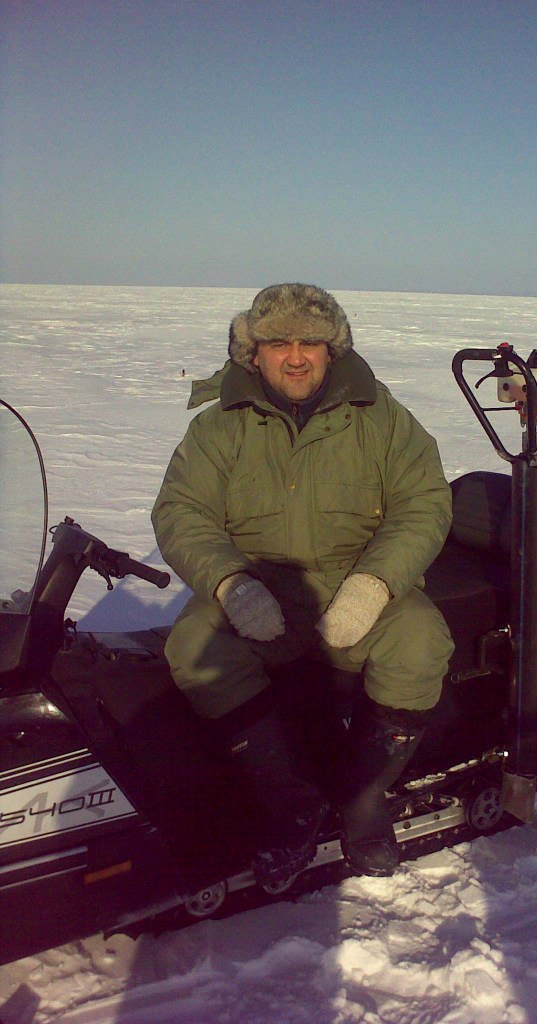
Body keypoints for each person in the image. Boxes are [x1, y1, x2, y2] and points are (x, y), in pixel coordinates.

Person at [152, 283, 454, 882]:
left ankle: (363, 797)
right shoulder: (220, 427)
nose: (296, 356)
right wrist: (231, 585)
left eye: (310, 341)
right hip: (259, 588)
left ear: (331, 349)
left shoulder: (380, 417)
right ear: (252, 352)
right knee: (190, 650)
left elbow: (423, 502)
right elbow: (181, 511)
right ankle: (290, 800)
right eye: (279, 342)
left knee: (421, 642)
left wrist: (373, 586)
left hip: (355, 584)